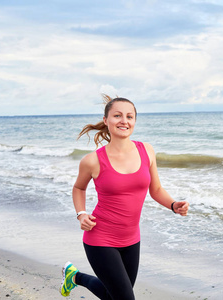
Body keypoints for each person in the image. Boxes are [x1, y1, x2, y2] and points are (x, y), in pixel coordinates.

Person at [60, 95, 189, 299]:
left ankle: (75, 277)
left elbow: (155, 189)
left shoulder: (147, 150)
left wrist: (173, 204)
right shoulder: (92, 161)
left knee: (114, 295)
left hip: (131, 239)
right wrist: (81, 214)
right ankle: (75, 277)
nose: (124, 121)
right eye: (117, 115)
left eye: (130, 116)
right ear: (106, 120)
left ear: (135, 121)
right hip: (100, 237)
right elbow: (79, 188)